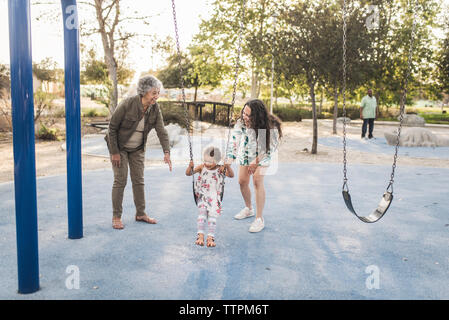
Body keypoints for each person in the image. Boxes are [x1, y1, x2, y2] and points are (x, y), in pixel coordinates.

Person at [105, 75, 172, 229]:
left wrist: (166, 151)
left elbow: (161, 131)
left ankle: (140, 213)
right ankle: (116, 216)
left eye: (158, 92)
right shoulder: (128, 104)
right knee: (120, 180)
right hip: (119, 148)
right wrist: (114, 152)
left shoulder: (155, 108)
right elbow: (112, 128)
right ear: (144, 92)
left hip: (137, 149)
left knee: (138, 180)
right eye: (154, 93)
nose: (157, 96)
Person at [224, 99, 282, 233]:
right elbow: (234, 142)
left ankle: (259, 219)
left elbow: (268, 148)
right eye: (244, 112)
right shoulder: (241, 123)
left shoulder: (268, 125)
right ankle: (249, 209)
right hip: (247, 152)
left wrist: (256, 161)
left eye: (248, 115)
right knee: (242, 182)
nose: (245, 116)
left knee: (257, 180)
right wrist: (229, 160)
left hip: (263, 154)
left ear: (257, 116)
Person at [186, 146, 234, 247]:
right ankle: (200, 236)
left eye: (210, 162)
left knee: (212, 218)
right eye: (205, 160)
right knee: (202, 215)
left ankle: (210, 237)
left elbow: (231, 175)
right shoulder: (201, 167)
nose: (207, 164)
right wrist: (190, 167)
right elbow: (188, 174)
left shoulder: (220, 168)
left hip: (214, 198)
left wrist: (227, 166)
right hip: (202, 195)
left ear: (217, 161)